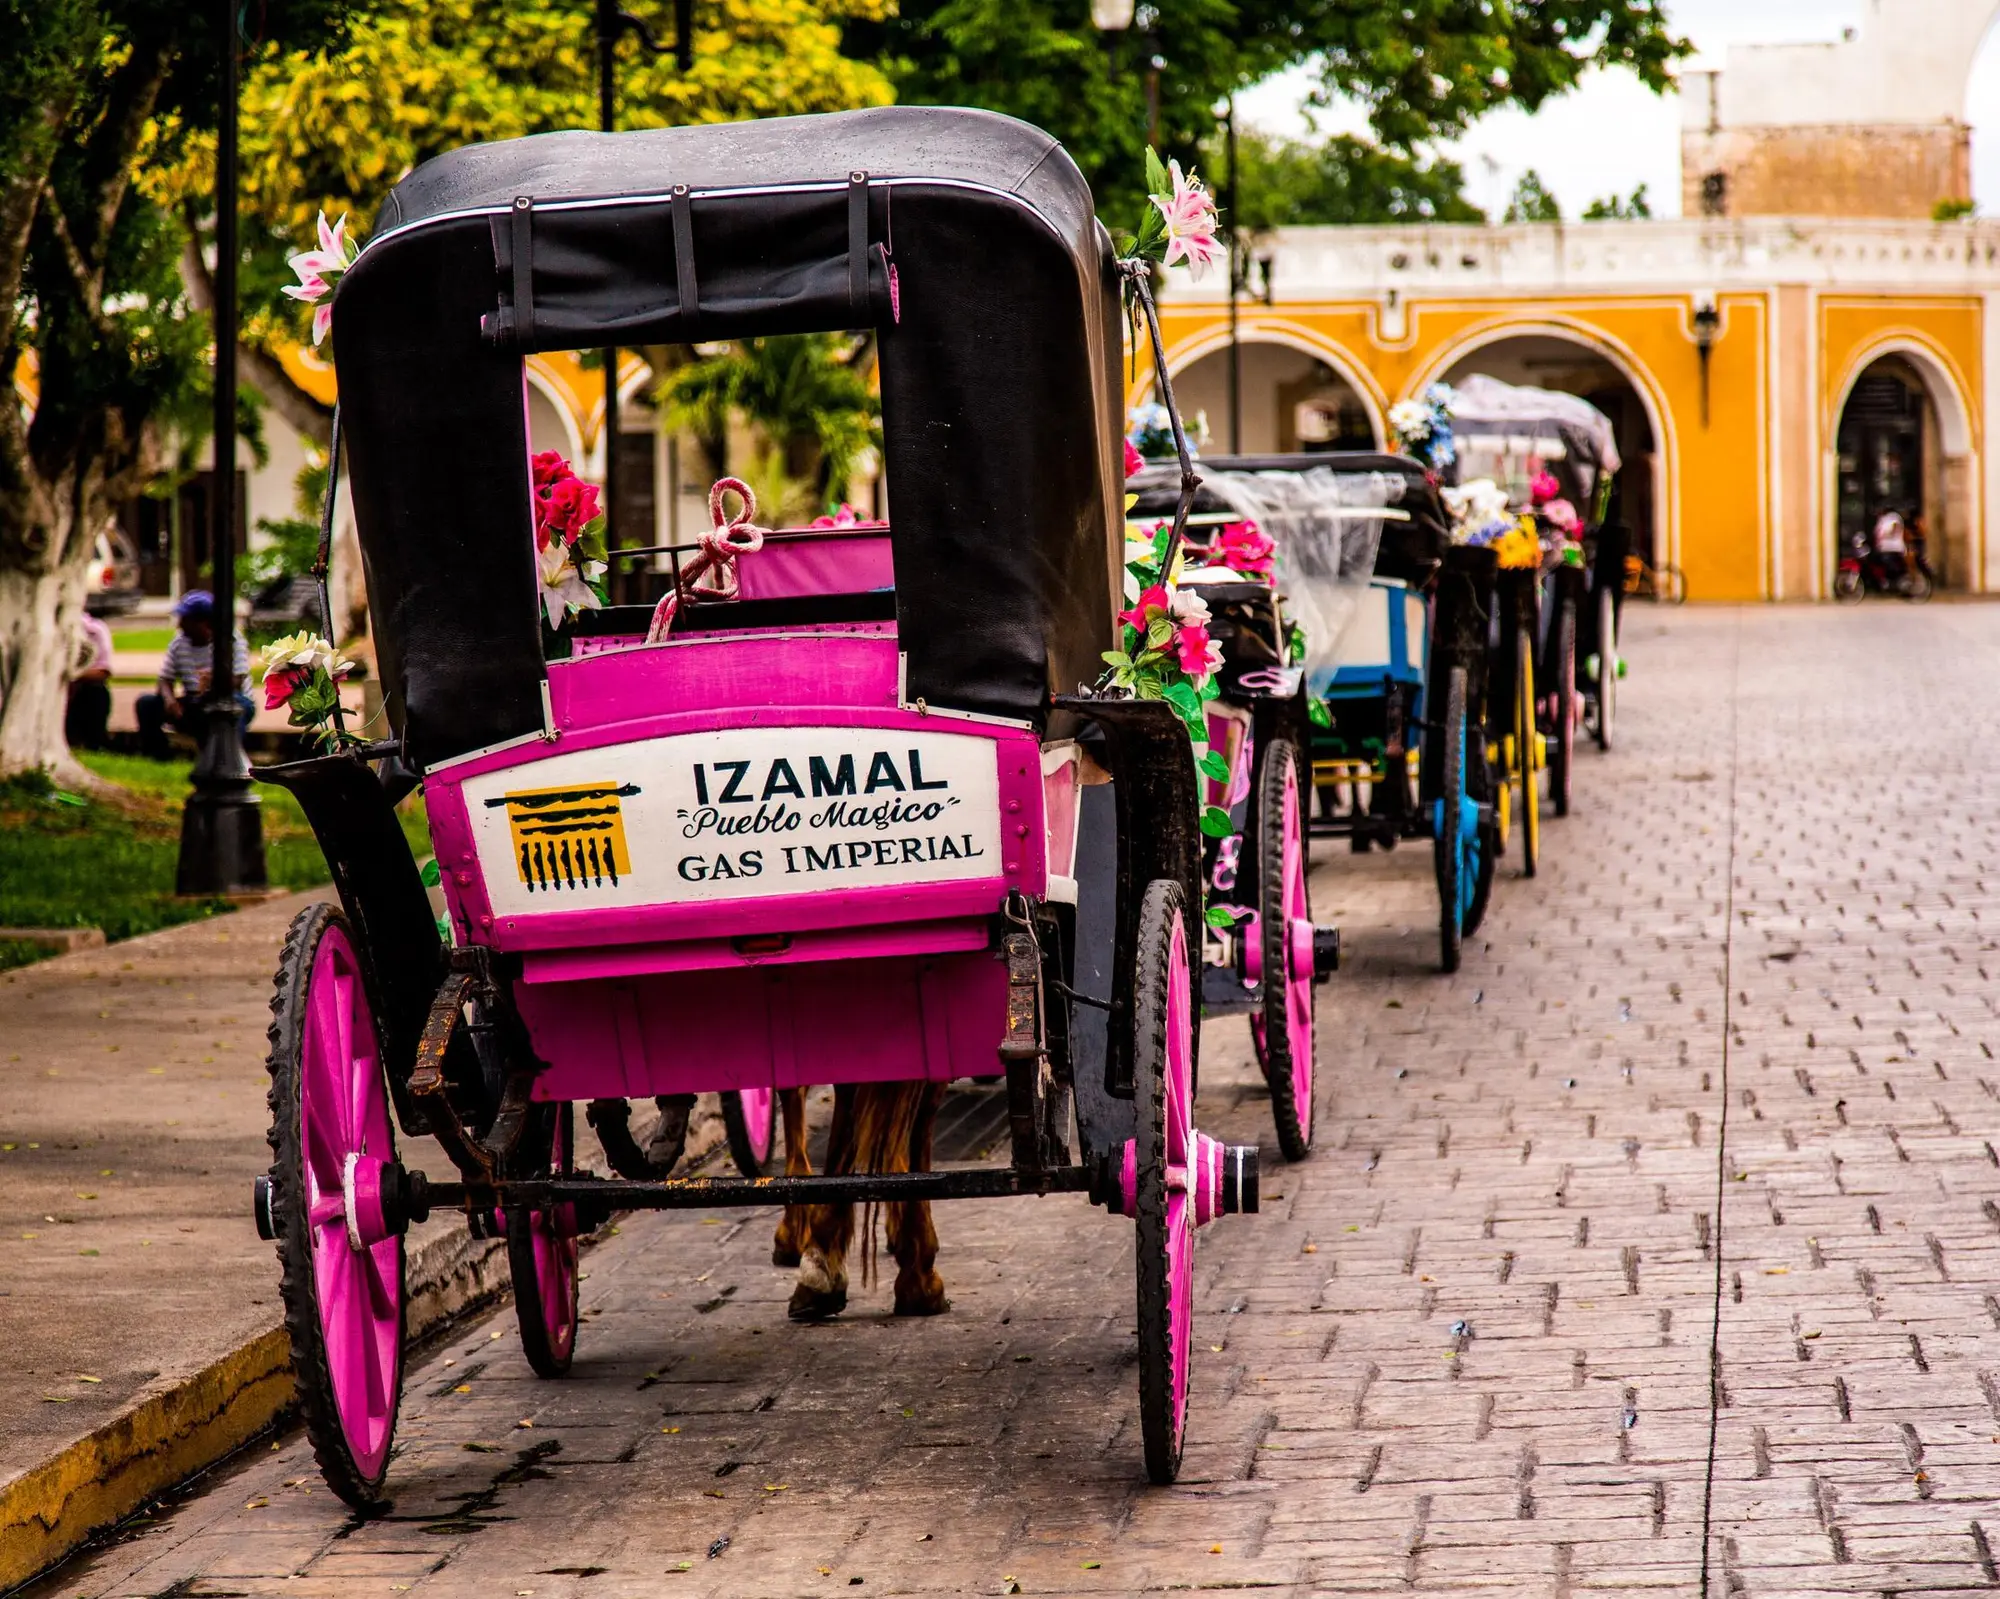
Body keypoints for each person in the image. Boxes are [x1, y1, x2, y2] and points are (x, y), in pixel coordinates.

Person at [136, 590, 252, 760]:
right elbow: (164, 679)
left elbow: (237, 680)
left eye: (185, 619)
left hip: (228, 698)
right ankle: (158, 754)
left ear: (203, 623)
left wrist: (212, 682)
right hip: (193, 700)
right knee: (146, 703)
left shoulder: (231, 639)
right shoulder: (179, 641)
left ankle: (228, 758)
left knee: (235, 706)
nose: (180, 624)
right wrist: (170, 700)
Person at [64, 611, 113, 750]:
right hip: (57, 691)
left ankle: (94, 742)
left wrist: (70, 675)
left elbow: (103, 671)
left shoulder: (95, 631)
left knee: (96, 691)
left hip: (82, 690)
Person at [1871, 506, 1908, 585]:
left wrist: (1886, 535)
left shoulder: (1892, 517)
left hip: (1892, 548)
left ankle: (1894, 581)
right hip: (1883, 548)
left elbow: (1895, 528)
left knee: (1888, 564)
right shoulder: (1882, 519)